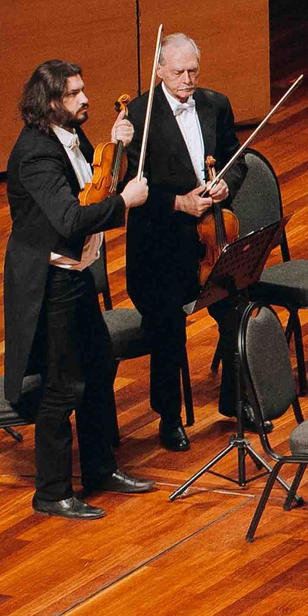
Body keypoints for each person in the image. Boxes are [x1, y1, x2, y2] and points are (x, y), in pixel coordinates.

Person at [0, 60, 153, 519]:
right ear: (49, 103)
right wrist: (124, 203)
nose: (85, 99)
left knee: (100, 365)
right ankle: (50, 491)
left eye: (83, 90)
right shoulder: (36, 154)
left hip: (76, 272)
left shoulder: (72, 137)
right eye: (73, 94)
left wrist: (119, 151)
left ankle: (101, 469)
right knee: (63, 385)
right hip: (51, 281)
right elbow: (69, 219)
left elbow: (96, 186)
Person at [119, 33, 242, 450]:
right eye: (178, 72)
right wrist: (177, 202)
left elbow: (235, 159)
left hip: (211, 239)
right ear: (159, 71)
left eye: (193, 70)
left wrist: (226, 184)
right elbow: (129, 189)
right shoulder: (138, 116)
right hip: (159, 248)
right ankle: (169, 418)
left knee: (236, 312)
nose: (188, 79)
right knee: (169, 328)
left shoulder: (216, 104)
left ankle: (237, 402)